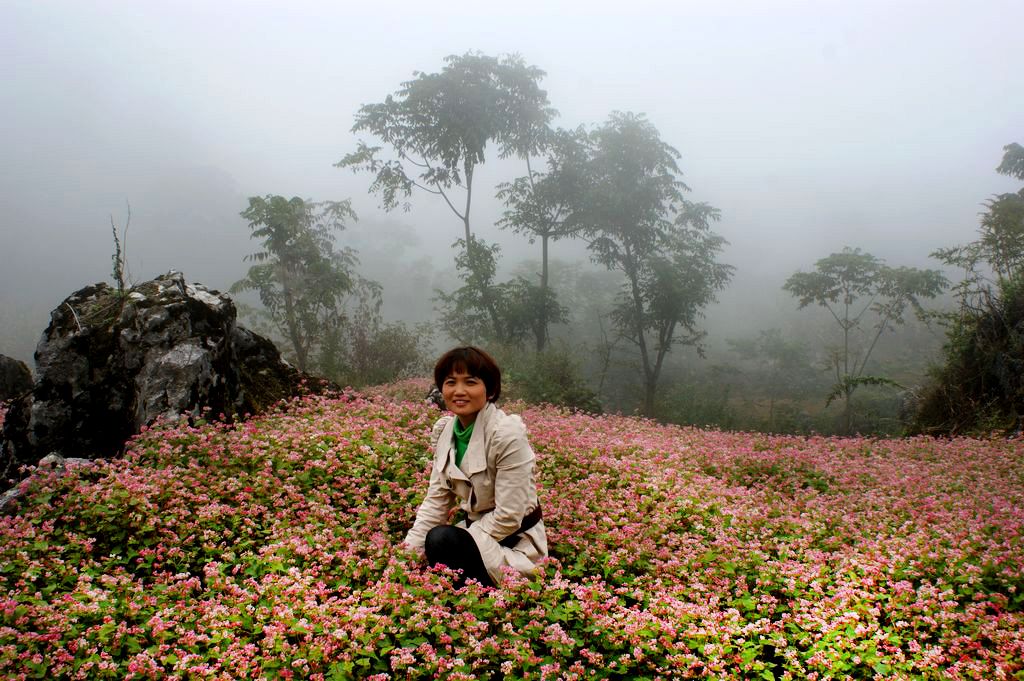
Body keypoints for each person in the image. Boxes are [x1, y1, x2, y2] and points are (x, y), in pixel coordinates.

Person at [403, 347, 546, 588]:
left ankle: (483, 602)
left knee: (442, 540)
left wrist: (461, 540)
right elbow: (436, 501)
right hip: (478, 532)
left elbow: (509, 516)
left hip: (515, 540)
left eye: (470, 382)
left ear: (489, 389)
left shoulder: (507, 434)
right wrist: (405, 558)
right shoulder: (446, 432)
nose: (459, 391)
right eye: (450, 382)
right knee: (433, 542)